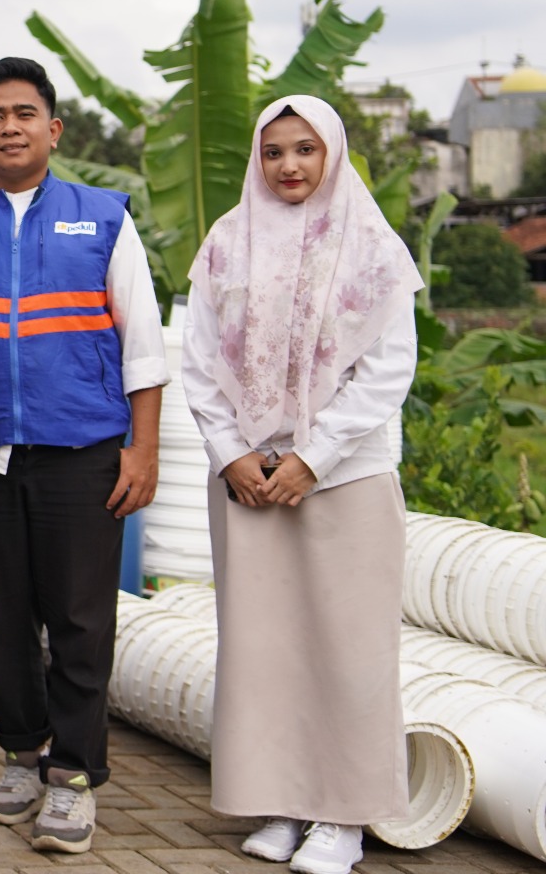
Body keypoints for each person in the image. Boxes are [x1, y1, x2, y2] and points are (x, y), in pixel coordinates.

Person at [0, 56, 167, 854]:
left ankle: (72, 779)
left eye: (24, 113)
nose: (10, 127)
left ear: (53, 129)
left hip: (82, 452)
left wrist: (144, 449)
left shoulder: (103, 215)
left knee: (77, 622)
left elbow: (143, 342)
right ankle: (19, 760)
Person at [183, 95, 419, 874]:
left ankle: (343, 819)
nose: (289, 165)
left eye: (306, 150)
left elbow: (389, 369)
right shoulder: (228, 241)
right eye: (274, 151)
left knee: (350, 649)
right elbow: (201, 360)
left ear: (334, 155)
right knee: (265, 649)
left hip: (344, 475)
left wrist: (314, 456)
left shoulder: (372, 244)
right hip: (249, 477)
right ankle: (284, 803)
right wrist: (231, 453)